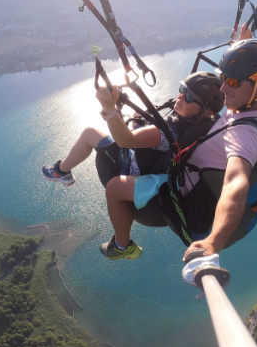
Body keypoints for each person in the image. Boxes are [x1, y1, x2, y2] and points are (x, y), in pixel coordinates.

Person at [103, 38, 257, 262]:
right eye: (223, 78)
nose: (223, 88)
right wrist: (244, 41)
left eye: (232, 82)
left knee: (113, 186)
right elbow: (243, 83)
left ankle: (121, 245)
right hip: (188, 170)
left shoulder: (245, 136)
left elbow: (235, 183)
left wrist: (213, 242)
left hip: (179, 193)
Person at [41, 71, 225, 258]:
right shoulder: (212, 124)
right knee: (113, 125)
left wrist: (109, 109)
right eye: (182, 90)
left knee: (92, 138)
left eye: (188, 96)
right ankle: (61, 171)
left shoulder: (169, 131)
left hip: (143, 176)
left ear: (207, 110)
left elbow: (125, 140)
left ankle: (122, 245)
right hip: (166, 170)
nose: (180, 96)